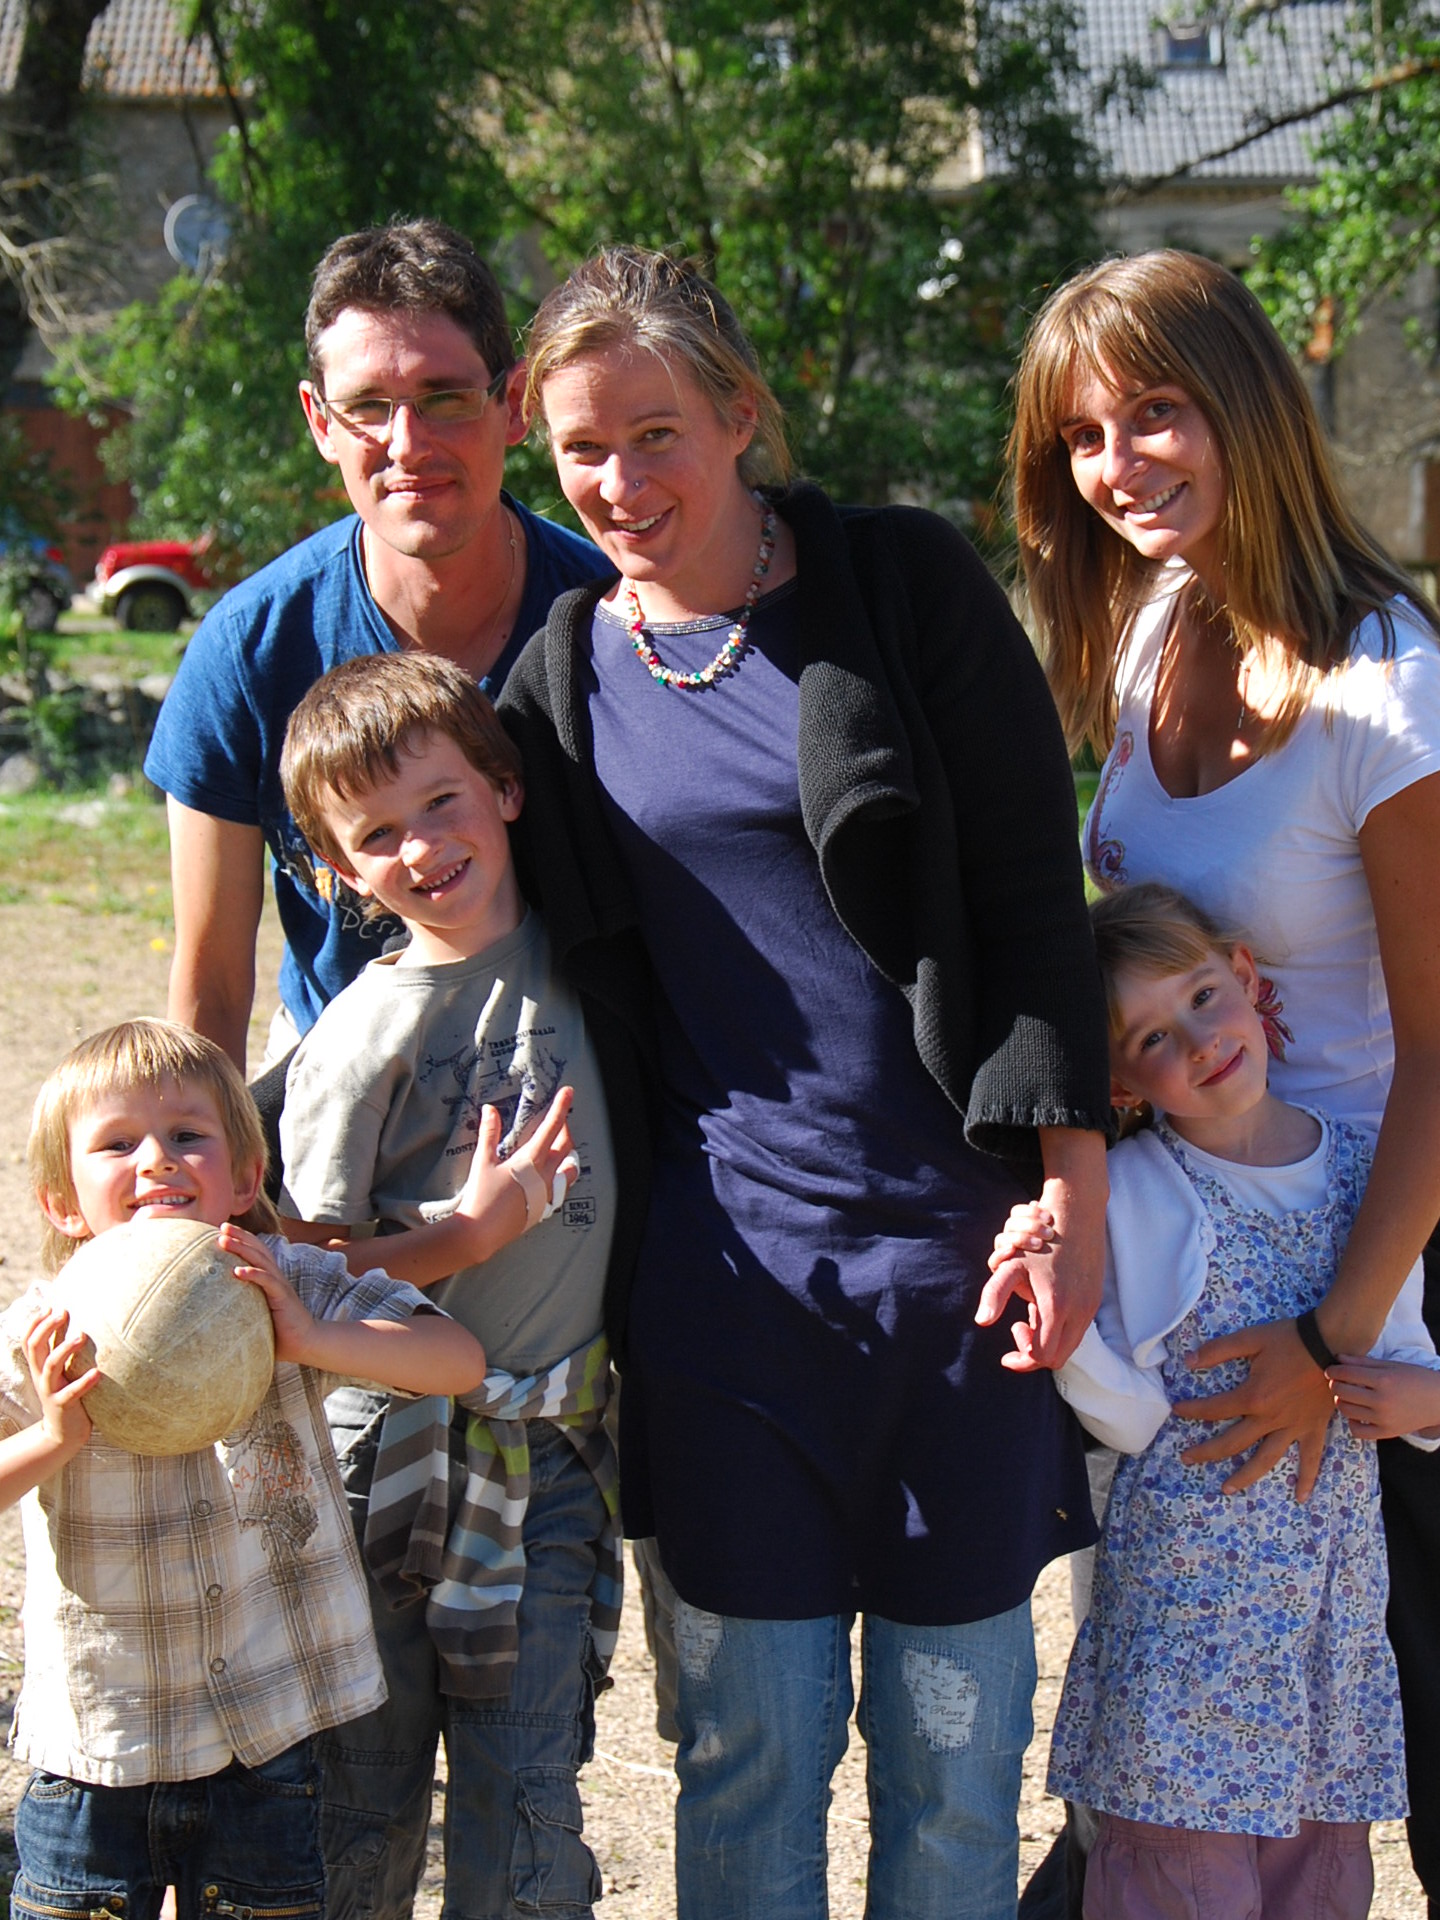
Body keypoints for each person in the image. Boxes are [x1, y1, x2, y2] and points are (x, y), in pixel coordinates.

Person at [498, 245, 1113, 1920]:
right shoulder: (560, 682)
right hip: (727, 1304)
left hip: (963, 1282)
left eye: (656, 433)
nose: (621, 481)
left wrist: (1072, 1197)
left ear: (741, 415)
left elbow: (1031, 898)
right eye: (581, 449)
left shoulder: (898, 590)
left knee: (953, 1777)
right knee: (751, 1764)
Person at [1008, 247, 1440, 1910]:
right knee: (1179, 1786)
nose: (1118, 465)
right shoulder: (1154, 628)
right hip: (1203, 1268)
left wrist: (1334, 1341)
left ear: (1248, 402)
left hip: (1380, 1284)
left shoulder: (1385, 684)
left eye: (1156, 412)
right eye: (1083, 438)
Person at [992, 883, 1440, 1919]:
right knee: (1181, 1888)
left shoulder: (1366, 1171)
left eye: (1202, 997)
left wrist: (1415, 1397)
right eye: (1152, 1036)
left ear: (1246, 976)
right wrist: (1061, 1337)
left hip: (1326, 1635)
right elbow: (1131, 1419)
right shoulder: (1141, 1192)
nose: (1199, 1042)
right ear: (1119, 1082)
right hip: (1187, 1637)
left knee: (1314, 1887)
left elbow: (1416, 1360)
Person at [276, 651, 623, 1920]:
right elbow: (301, 1276)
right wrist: (462, 1240)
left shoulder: (598, 961)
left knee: (524, 1794)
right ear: (336, 868)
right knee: (362, 1799)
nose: (420, 848)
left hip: (552, 1453)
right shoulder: (360, 1037)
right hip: (387, 1461)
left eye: (441, 803)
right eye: (375, 835)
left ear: (507, 789)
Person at [6, 1017, 485, 1920]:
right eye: (117, 1144)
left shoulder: (287, 1284)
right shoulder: (47, 1331)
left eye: (188, 1134)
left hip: (265, 1747)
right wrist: (55, 1436)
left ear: (244, 1178)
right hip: (100, 1755)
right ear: (63, 1201)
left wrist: (309, 1338)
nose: (157, 1159)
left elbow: (457, 1360)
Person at [143, 218, 605, 1073]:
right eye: (366, 408)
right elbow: (210, 987)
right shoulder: (249, 651)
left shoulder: (609, 619)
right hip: (337, 1072)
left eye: (444, 397)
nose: (406, 445)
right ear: (320, 421)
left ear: (513, 404)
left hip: (578, 1065)